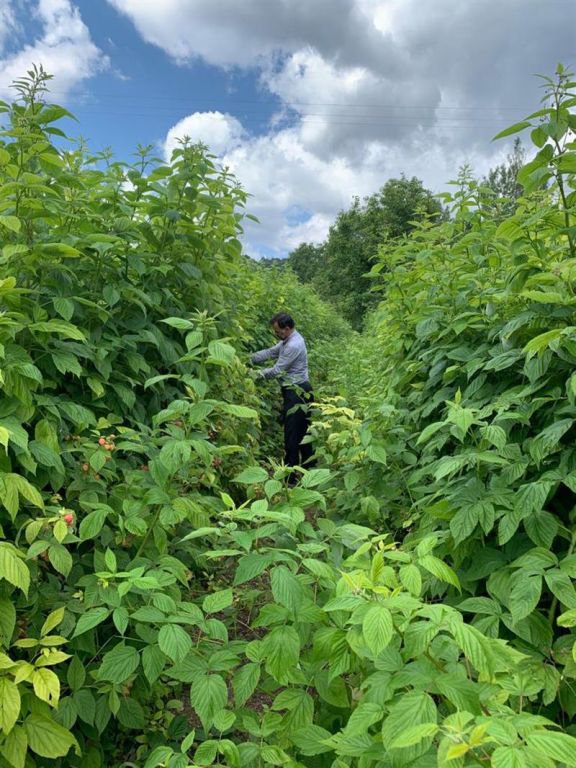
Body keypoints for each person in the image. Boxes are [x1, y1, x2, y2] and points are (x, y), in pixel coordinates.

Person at [251, 312, 314, 472]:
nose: (276, 334)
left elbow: (277, 371)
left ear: (286, 328)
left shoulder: (293, 345)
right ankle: (309, 469)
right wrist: (248, 358)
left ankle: (290, 476)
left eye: (278, 331)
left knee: (292, 435)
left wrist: (252, 375)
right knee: (302, 432)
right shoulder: (289, 340)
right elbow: (270, 353)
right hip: (298, 390)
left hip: (297, 392)